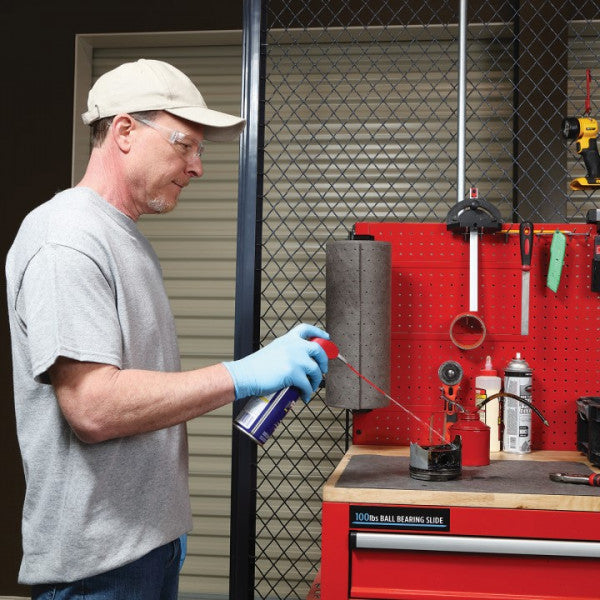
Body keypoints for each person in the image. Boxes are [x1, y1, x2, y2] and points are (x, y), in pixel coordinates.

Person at [5, 59, 330, 600]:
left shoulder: (124, 236)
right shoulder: (65, 238)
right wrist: (241, 374)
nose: (197, 166)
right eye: (185, 144)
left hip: (147, 548)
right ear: (125, 131)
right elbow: (94, 408)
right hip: (98, 570)